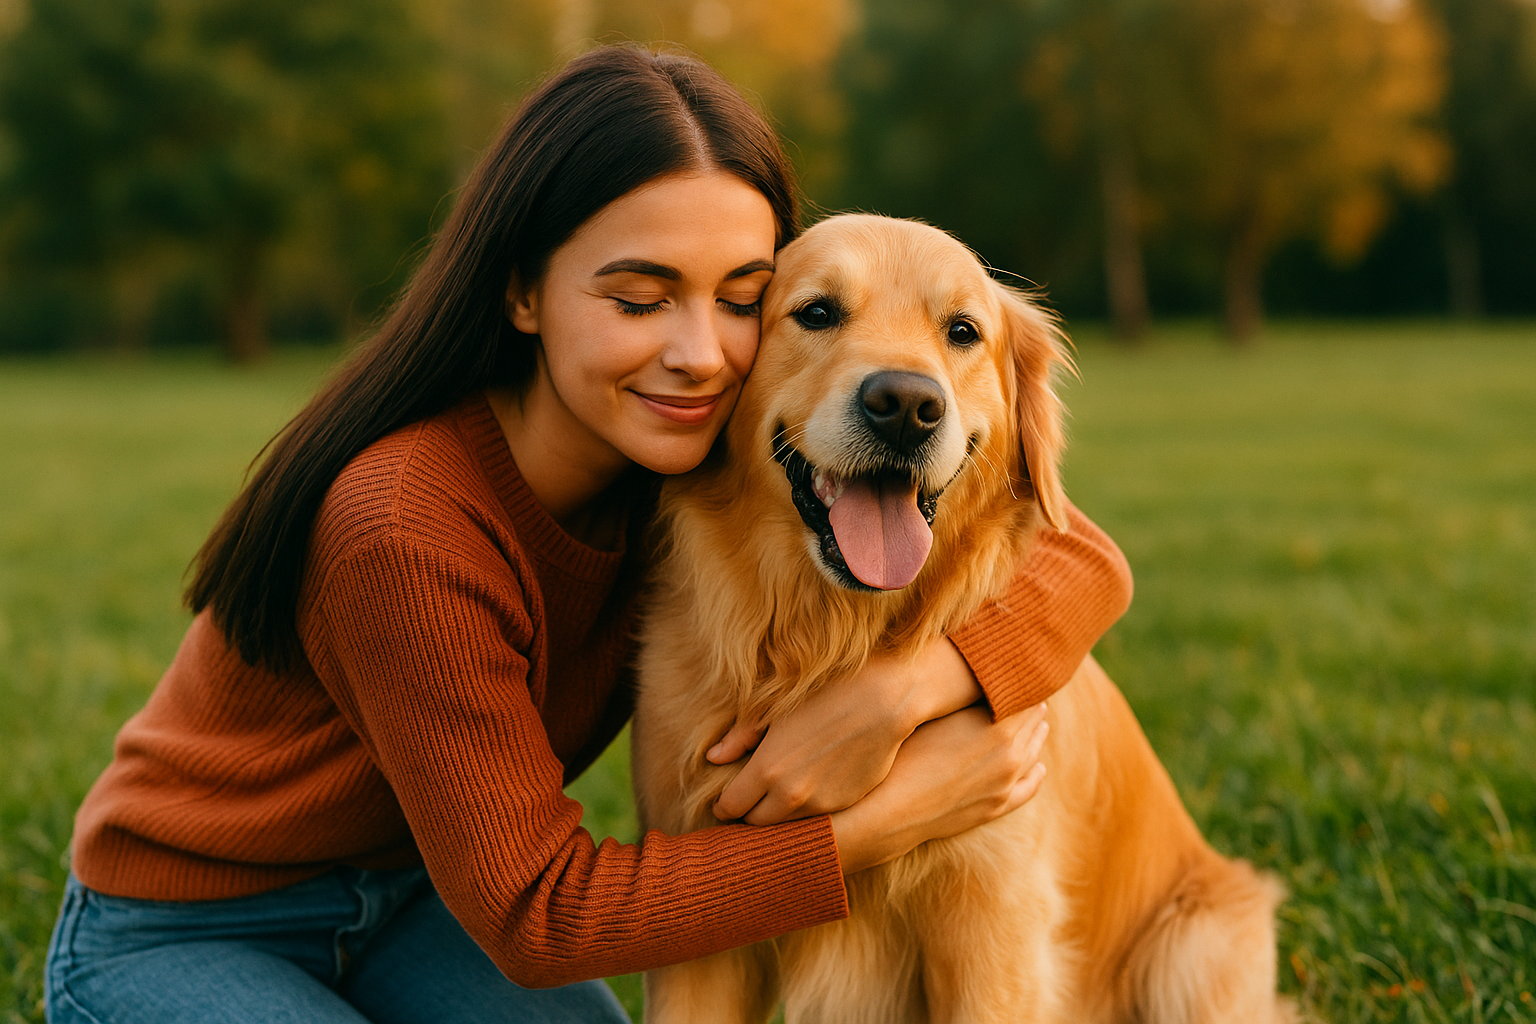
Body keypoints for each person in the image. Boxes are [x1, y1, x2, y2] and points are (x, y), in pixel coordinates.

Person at [44, 44, 1133, 1024]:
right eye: (640, 296)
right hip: (190, 925)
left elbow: (1080, 554)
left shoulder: (696, 462)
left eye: (741, 298)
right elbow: (544, 917)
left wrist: (900, 692)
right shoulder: (403, 527)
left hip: (418, 900)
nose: (700, 353)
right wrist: (895, 815)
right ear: (523, 291)